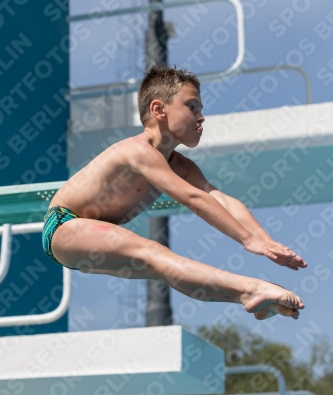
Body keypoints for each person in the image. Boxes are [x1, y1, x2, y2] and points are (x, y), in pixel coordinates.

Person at [43, 66, 307, 321]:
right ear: (158, 109)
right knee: (154, 253)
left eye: (201, 109)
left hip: (89, 235)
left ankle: (257, 300)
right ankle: (252, 289)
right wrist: (248, 241)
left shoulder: (180, 165)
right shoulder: (138, 152)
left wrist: (265, 241)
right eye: (192, 107)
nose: (201, 117)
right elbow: (194, 199)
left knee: (162, 266)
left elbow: (220, 199)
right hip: (64, 226)